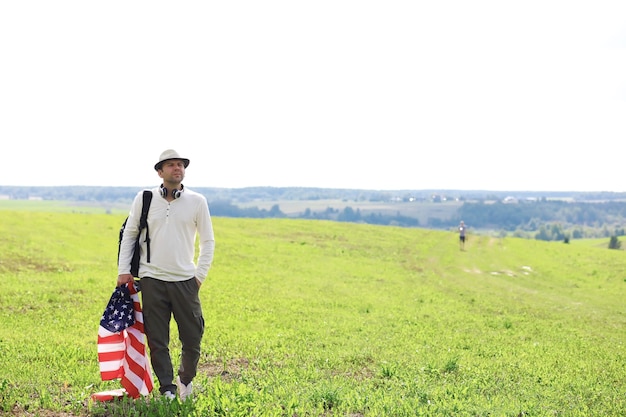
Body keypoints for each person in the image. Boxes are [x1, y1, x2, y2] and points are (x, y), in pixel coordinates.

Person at [117, 149, 215, 401]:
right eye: (170, 165)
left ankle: (185, 380)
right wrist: (124, 271)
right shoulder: (145, 197)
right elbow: (129, 234)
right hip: (152, 280)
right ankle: (167, 388)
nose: (177, 168)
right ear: (160, 172)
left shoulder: (197, 201)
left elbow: (208, 242)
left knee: (193, 337)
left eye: (180, 164)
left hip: (185, 281)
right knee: (157, 338)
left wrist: (198, 277)